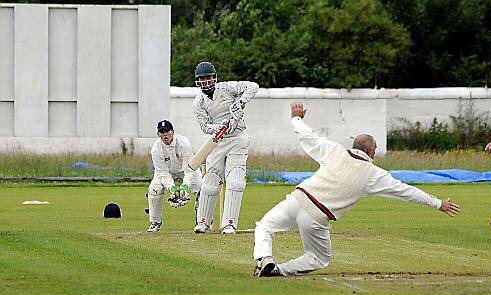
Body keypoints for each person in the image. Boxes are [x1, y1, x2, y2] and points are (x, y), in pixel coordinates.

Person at [253, 101, 461, 277]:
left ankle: (265, 258)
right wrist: (438, 203)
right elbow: (406, 191)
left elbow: (307, 136)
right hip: (316, 215)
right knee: (318, 259)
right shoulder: (374, 174)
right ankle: (278, 270)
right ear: (370, 151)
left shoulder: (334, 150)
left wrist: (296, 118)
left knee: (264, 226)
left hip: (297, 199)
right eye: (376, 150)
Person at [192, 61, 259, 235]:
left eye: (208, 77)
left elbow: (253, 86)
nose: (206, 82)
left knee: (236, 179)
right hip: (217, 140)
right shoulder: (198, 103)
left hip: (237, 137)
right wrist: (218, 127)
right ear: (197, 81)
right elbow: (205, 126)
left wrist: (241, 102)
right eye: (202, 79)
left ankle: (229, 224)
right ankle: (203, 223)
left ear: (214, 78)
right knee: (210, 181)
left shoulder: (227, 88)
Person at [146, 120, 202, 232]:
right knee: (154, 190)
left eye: (167, 131)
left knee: (203, 190)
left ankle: (202, 221)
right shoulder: (156, 149)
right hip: (166, 171)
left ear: (173, 132)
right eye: (162, 132)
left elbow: (189, 168)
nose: (165, 134)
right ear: (158, 134)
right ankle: (155, 222)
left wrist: (185, 187)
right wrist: (172, 188)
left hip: (186, 169)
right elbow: (162, 173)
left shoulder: (183, 143)